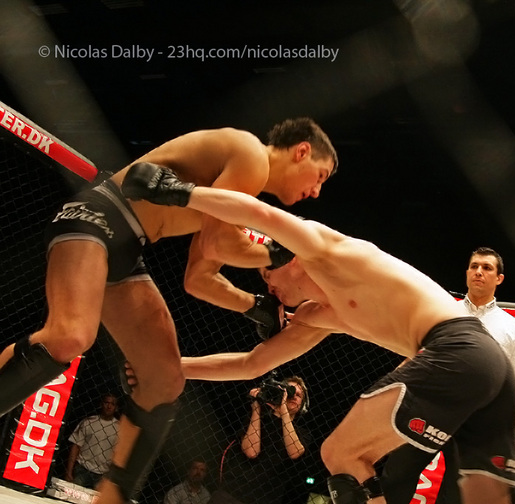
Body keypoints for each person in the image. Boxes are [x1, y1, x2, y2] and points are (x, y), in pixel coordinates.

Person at [120, 165, 515, 504]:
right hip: (488, 369)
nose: (266, 283)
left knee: (338, 453)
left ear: (287, 258)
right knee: (471, 492)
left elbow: (260, 213)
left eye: (267, 271)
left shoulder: (327, 250)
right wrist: (170, 366)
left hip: (458, 347)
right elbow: (252, 364)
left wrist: (179, 192)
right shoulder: (319, 316)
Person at [0, 118, 338, 504]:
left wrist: (254, 306)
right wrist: (278, 252)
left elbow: (198, 278)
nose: (316, 191)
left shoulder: (237, 197)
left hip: (128, 247)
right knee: (70, 336)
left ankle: (112, 497)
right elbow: (218, 245)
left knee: (164, 379)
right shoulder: (251, 156)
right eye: (320, 176)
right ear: (302, 151)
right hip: (96, 217)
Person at [381, 247, 515, 503]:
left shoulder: (513, 328)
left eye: (487, 268)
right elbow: (414, 358)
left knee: (459, 493)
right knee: (395, 475)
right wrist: (385, 394)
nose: (479, 272)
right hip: (430, 407)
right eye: (474, 266)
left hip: (477, 419)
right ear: (467, 272)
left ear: (499, 278)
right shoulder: (442, 311)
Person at [215, 375, 311, 504]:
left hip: (265, 498)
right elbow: (251, 452)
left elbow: (294, 452)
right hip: (233, 492)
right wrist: (256, 406)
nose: (293, 396)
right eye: (290, 392)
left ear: (302, 404)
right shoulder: (259, 419)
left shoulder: (302, 433)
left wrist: (283, 410)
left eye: (299, 395)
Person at [65, 393, 121, 489]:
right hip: (83, 468)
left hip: (104, 474)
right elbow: (76, 446)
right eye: (106, 403)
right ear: (101, 404)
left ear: (116, 408)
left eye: (112, 404)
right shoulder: (89, 422)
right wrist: (69, 471)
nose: (109, 406)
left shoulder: (120, 428)